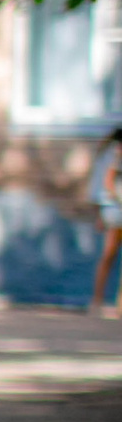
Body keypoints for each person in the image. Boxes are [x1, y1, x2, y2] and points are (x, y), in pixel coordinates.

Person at [88, 128, 122, 316]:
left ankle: (99, 301)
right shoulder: (115, 153)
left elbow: (98, 186)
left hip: (110, 210)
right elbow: (108, 181)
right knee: (109, 255)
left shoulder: (108, 152)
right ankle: (101, 301)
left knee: (108, 256)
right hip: (115, 210)